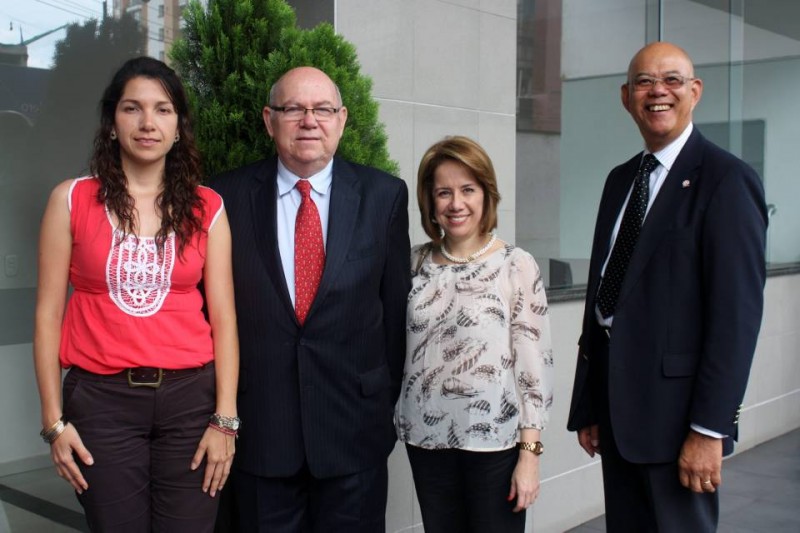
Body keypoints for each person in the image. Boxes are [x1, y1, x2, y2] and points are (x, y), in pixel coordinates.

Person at [567, 42, 767, 531]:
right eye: (643, 82)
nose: (658, 91)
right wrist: (590, 402)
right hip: (618, 415)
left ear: (694, 91)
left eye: (672, 80)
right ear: (625, 96)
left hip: (680, 424)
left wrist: (709, 430)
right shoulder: (620, 181)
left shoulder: (727, 180)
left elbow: (735, 321)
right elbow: (604, 299)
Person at [33, 56, 239, 532]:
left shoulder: (209, 208)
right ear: (112, 123)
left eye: (163, 110)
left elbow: (225, 320)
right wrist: (54, 423)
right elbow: (47, 315)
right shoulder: (71, 199)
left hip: (192, 402)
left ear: (179, 126)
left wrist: (224, 420)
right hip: (100, 403)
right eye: (133, 108)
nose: (148, 122)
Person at [211, 66, 411, 531]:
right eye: (293, 109)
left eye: (322, 109)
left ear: (341, 119)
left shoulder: (383, 196)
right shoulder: (225, 196)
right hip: (261, 434)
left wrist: (379, 404)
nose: (309, 121)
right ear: (269, 119)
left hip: (353, 433)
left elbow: (395, 314)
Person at [395, 135, 553, 532]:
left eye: (467, 189)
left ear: (486, 194)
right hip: (425, 439)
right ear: (429, 202)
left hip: (494, 445)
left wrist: (529, 455)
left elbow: (534, 366)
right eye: (443, 192)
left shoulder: (515, 265)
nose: (455, 203)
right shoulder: (412, 263)